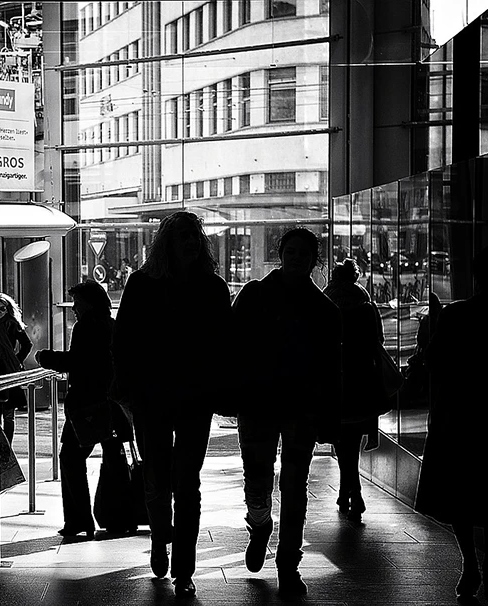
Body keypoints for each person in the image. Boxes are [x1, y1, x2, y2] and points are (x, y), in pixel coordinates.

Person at [112, 211, 232, 599]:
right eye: (184, 237)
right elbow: (123, 341)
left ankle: (183, 568)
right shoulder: (143, 284)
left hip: (190, 397)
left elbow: (224, 343)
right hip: (153, 397)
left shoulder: (212, 287)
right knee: (159, 480)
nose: (192, 243)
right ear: (169, 243)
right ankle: (162, 537)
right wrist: (127, 391)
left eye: (195, 237)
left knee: (185, 483)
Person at [230, 227, 341, 598]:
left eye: (303, 254)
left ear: (314, 260)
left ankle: (287, 563)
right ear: (282, 254)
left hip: (289, 408)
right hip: (271, 405)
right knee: (262, 480)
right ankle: (261, 525)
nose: (296, 258)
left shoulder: (317, 308)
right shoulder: (310, 306)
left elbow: (330, 368)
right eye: (291, 252)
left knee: (291, 485)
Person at [415, 244, 488, 601]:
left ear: (476, 277)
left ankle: (470, 563)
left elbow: (434, 360)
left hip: (458, 417)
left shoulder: (457, 314)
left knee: (460, 496)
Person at [36, 280, 115, 540]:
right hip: (108, 403)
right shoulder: (110, 325)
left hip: (85, 405)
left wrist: (46, 357)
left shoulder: (86, 326)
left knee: (70, 458)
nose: (74, 310)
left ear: (89, 304)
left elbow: (78, 362)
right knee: (112, 458)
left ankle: (79, 519)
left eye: (77, 304)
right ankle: (115, 515)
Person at [323, 259, 386, 522]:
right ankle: (351, 490)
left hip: (335, 382)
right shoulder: (366, 305)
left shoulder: (325, 303)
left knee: (342, 442)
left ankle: (350, 490)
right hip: (362, 382)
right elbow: (378, 341)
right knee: (352, 444)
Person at [0, 292, 33, 443]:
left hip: (8, 371)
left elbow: (27, 344)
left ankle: (7, 447)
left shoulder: (12, 324)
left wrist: (16, 360)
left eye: (2, 309)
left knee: (8, 415)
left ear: (8, 310)